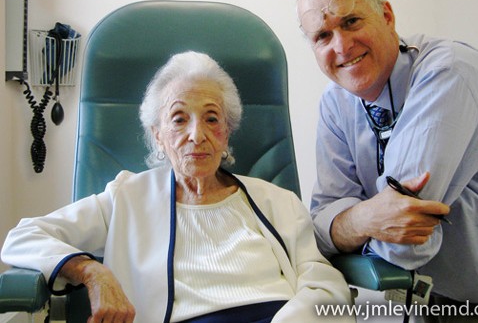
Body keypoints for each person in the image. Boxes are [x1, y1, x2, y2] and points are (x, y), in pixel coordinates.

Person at [1, 51, 354, 323]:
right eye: (179, 118)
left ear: (227, 131)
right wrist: (92, 272)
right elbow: (23, 236)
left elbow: (326, 285)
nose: (197, 135)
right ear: (158, 135)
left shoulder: (277, 201)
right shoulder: (126, 198)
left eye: (212, 118)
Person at [297, 0, 478, 322]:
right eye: (323, 35)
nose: (341, 46)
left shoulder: (449, 71)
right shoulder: (335, 101)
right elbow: (320, 225)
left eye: (352, 21)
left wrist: (350, 224)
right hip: (409, 303)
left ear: (386, 16)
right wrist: (366, 218)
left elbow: (403, 247)